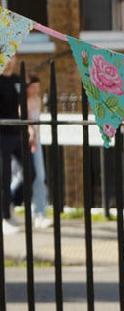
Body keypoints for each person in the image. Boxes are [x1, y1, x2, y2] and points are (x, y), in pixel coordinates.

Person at [0, 61, 20, 236]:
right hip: (2, 134)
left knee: (31, 172)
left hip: (17, 133)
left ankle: (9, 201)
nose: (11, 59)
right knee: (4, 177)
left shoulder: (17, 79)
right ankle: (4, 217)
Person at [26, 75, 49, 228]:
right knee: (21, 177)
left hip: (36, 141)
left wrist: (35, 136)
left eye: (37, 87)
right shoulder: (22, 101)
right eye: (33, 87)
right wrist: (31, 133)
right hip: (25, 142)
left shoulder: (38, 100)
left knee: (40, 176)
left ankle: (39, 212)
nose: (36, 90)